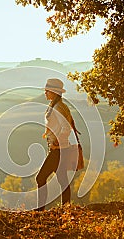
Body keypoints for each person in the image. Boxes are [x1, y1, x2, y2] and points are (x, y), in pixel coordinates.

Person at [35, 78, 74, 211]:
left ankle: (40, 210)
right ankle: (66, 207)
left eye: (47, 91)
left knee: (40, 178)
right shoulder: (56, 105)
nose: (45, 93)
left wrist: (57, 140)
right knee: (62, 179)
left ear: (54, 92)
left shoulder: (57, 107)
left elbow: (66, 128)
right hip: (60, 148)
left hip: (58, 149)